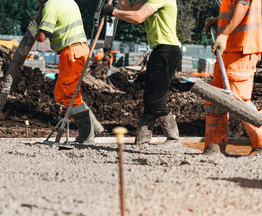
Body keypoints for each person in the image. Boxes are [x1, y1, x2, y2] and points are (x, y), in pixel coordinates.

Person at [101, 0, 182, 145]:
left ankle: (173, 138)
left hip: (167, 51)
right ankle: (142, 140)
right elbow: (130, 8)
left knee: (155, 99)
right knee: (149, 98)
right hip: (159, 51)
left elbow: (138, 17)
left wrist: (112, 11)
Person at [28, 0, 102, 143]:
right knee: (60, 95)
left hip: (71, 52)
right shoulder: (69, 1)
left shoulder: (51, 5)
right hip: (77, 50)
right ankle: (93, 126)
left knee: (70, 96)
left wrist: (34, 32)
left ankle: (86, 136)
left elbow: (42, 37)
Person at [204, 0, 262, 155]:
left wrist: (224, 33)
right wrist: (221, 22)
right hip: (230, 47)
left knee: (238, 99)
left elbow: (242, 6)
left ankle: (261, 144)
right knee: (215, 96)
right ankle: (214, 146)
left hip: (242, 46)